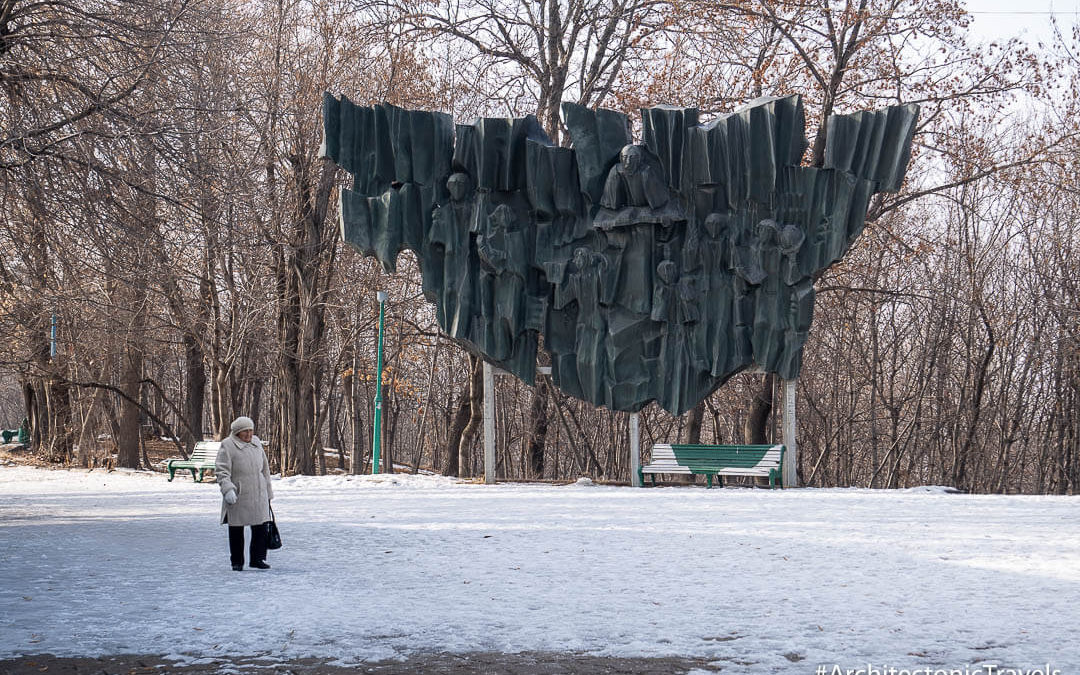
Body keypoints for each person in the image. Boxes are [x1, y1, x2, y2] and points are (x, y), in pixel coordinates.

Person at [215, 416, 274, 571]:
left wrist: (268, 492)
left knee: (260, 527)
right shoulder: (227, 446)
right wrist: (227, 489)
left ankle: (257, 559)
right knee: (236, 529)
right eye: (244, 431)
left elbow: (265, 470)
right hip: (239, 494)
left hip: (258, 492)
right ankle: (237, 561)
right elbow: (222, 471)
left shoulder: (256, 443)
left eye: (250, 430)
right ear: (237, 433)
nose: (248, 434)